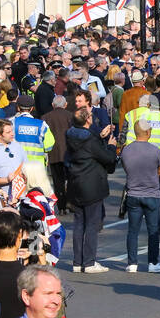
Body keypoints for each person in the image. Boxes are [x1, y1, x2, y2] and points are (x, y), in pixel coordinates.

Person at [65, 107, 117, 274]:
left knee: (79, 223)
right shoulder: (89, 140)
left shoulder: (71, 136)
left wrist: (100, 138)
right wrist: (110, 146)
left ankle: (77, 261)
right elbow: (107, 157)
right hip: (91, 184)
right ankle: (88, 262)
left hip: (76, 183)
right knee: (92, 224)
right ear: (88, 120)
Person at [121, 118, 160, 273]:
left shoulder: (126, 150)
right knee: (153, 230)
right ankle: (153, 263)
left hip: (133, 193)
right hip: (152, 193)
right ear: (148, 132)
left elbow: (126, 168)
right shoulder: (155, 150)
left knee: (132, 230)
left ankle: (132, 263)